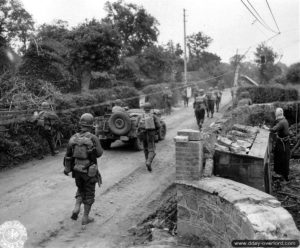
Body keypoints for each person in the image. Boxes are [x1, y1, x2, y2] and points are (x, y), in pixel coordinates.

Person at [64, 113, 103, 225]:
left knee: (80, 189)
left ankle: (76, 207)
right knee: (89, 193)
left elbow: (68, 154)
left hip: (76, 170)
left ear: (80, 124)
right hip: (89, 171)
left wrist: (67, 168)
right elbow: (99, 153)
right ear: (91, 125)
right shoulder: (93, 137)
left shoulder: (73, 138)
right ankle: (85, 218)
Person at [264, 108, 290, 182]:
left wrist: (266, 128)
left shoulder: (281, 122)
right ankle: (282, 174)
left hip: (283, 144)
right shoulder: (284, 120)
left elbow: (273, 130)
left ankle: (282, 175)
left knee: (281, 158)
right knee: (281, 157)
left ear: (277, 115)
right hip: (283, 142)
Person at [136, 102, 161, 172]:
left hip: (142, 134)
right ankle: (148, 162)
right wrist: (155, 132)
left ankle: (147, 161)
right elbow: (159, 126)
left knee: (145, 148)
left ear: (144, 109)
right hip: (151, 134)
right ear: (150, 109)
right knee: (151, 149)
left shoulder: (140, 116)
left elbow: (136, 125)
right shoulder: (153, 116)